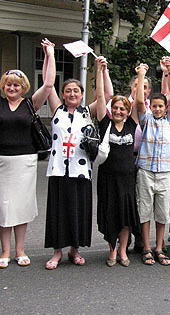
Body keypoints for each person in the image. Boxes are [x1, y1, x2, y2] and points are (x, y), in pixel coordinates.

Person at [44, 56, 112, 269]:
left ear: (82, 95)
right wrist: (49, 56)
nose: (72, 94)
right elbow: (48, 83)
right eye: (68, 91)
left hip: (80, 171)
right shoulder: (57, 109)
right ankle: (57, 252)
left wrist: (103, 70)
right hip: (58, 170)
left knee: (77, 211)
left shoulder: (86, 112)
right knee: (58, 211)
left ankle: (75, 249)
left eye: (76, 91)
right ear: (63, 94)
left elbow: (107, 95)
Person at [0, 38, 56, 269]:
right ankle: (5, 251)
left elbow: (50, 84)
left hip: (25, 162)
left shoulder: (30, 104)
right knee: (4, 207)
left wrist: (49, 55)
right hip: (1, 161)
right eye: (8, 85)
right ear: (3, 86)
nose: (12, 88)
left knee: (20, 206)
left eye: (16, 85)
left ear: (23, 87)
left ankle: (20, 250)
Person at [95, 59, 141, 267]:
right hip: (108, 178)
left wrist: (140, 75)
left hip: (128, 179)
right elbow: (100, 95)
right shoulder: (104, 123)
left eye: (123, 108)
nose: (119, 111)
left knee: (126, 217)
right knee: (111, 215)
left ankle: (123, 251)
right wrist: (100, 70)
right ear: (110, 109)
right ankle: (112, 251)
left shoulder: (132, 124)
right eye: (116, 108)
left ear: (127, 111)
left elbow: (139, 101)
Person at [135, 60, 170, 266]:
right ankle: (146, 247)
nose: (158, 109)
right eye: (154, 106)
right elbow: (138, 103)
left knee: (162, 212)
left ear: (166, 107)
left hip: (164, 173)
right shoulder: (146, 120)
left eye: (161, 106)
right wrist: (142, 74)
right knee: (144, 210)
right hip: (145, 171)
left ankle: (159, 247)